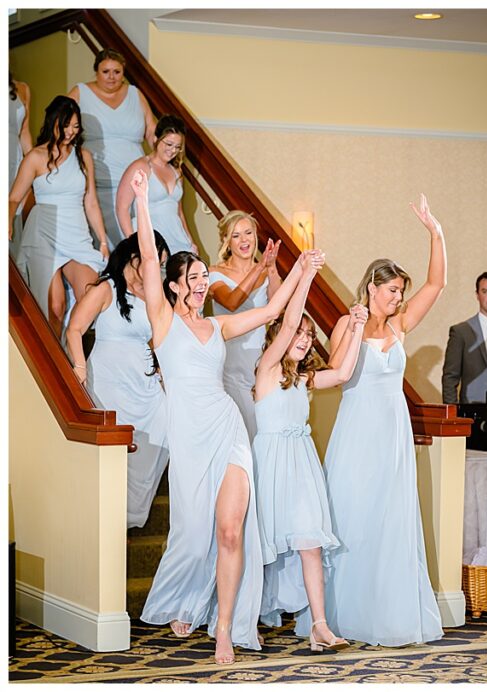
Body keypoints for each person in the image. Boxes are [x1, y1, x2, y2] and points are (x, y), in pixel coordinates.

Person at [131, 168, 310, 664]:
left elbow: (273, 310)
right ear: (174, 286)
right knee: (192, 533)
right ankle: (186, 596)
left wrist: (303, 268)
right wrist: (144, 202)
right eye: (193, 277)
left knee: (231, 529)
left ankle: (226, 625)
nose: (202, 281)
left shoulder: (218, 324)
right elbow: (148, 257)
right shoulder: (164, 323)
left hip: (228, 427)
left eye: (202, 277)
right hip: (189, 437)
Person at [310, 194, 446, 646]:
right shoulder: (345, 326)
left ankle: (389, 612)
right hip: (357, 433)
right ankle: (342, 616)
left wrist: (435, 232)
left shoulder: (400, 326)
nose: (398, 297)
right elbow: (335, 374)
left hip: (392, 434)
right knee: (353, 517)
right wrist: (354, 325)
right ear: (372, 286)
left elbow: (437, 284)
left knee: (391, 520)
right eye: (391, 290)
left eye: (400, 292)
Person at [253, 268, 368, 653]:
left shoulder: (304, 380)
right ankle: (242, 618)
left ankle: (320, 626)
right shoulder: (266, 370)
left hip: (302, 464)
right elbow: (285, 323)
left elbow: (343, 373)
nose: (304, 340)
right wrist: (305, 276)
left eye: (308, 336)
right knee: (260, 547)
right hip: (269, 465)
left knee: (310, 544)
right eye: (299, 334)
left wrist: (356, 328)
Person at [65, 231, 172, 529]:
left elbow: (158, 340)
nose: (157, 271)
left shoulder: (153, 295)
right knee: (114, 454)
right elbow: (74, 328)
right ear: (135, 257)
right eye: (154, 263)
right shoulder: (106, 289)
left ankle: (128, 518)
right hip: (110, 384)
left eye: (161, 266)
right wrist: (80, 367)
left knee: (164, 431)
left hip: (145, 386)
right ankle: (109, 524)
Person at [8, 95, 108, 333]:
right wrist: (8, 222)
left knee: (90, 294)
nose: (71, 132)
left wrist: (102, 239)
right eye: (66, 126)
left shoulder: (83, 157)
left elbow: (91, 201)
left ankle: (70, 351)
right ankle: (56, 359)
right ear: (53, 122)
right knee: (55, 305)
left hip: (76, 231)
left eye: (75, 126)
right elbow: (13, 198)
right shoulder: (36, 157)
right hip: (45, 230)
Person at [69, 48, 157, 244]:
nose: (111, 77)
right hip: (98, 182)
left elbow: (151, 131)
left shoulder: (135, 94)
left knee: (137, 236)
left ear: (123, 72)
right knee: (104, 241)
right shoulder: (80, 92)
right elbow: (61, 125)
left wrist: (165, 160)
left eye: (117, 72)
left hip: (135, 181)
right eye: (105, 71)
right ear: (96, 71)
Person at [208, 211, 282, 441]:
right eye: (236, 235)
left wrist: (270, 268)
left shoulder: (265, 271)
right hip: (232, 363)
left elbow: (278, 309)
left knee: (265, 430)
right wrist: (258, 269)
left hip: (261, 362)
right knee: (242, 434)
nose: (244, 240)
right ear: (227, 241)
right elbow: (231, 302)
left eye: (248, 233)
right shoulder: (214, 273)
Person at [115, 114, 198, 254]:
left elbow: (179, 212)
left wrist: (191, 241)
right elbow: (121, 208)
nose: (173, 151)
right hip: (150, 240)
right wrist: (133, 245)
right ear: (155, 139)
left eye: (178, 147)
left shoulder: (177, 171)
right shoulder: (140, 167)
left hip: (178, 240)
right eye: (169, 144)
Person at [442, 271, 487, 404]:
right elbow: (450, 377)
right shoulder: (461, 332)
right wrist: (453, 416)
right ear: (477, 294)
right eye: (486, 292)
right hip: (474, 409)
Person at [9, 73, 31, 269]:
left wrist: (34, 168)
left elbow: (24, 132)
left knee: (13, 217)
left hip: (14, 161)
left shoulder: (22, 88)